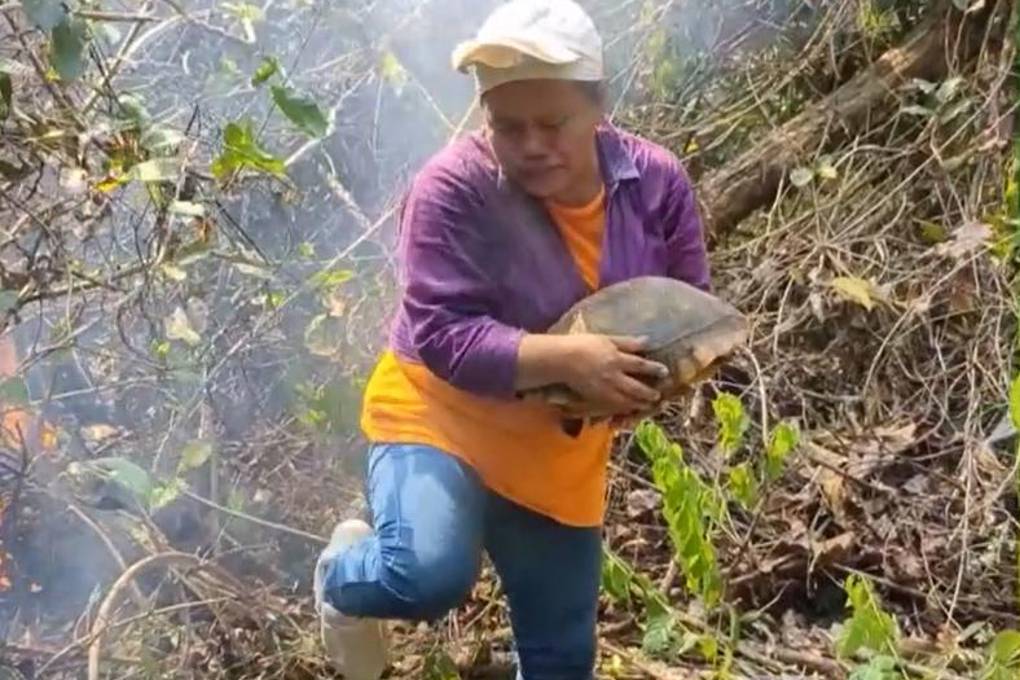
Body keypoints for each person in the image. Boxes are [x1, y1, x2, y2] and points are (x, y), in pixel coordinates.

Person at [312, 1, 711, 678]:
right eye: (507, 126)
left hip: (556, 449)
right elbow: (441, 333)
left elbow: (687, 305)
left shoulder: (654, 183)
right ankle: (341, 580)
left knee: (560, 660)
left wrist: (651, 386)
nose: (531, 145)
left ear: (598, 108)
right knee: (424, 577)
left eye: (553, 123)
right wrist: (572, 358)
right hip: (438, 417)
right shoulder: (451, 188)